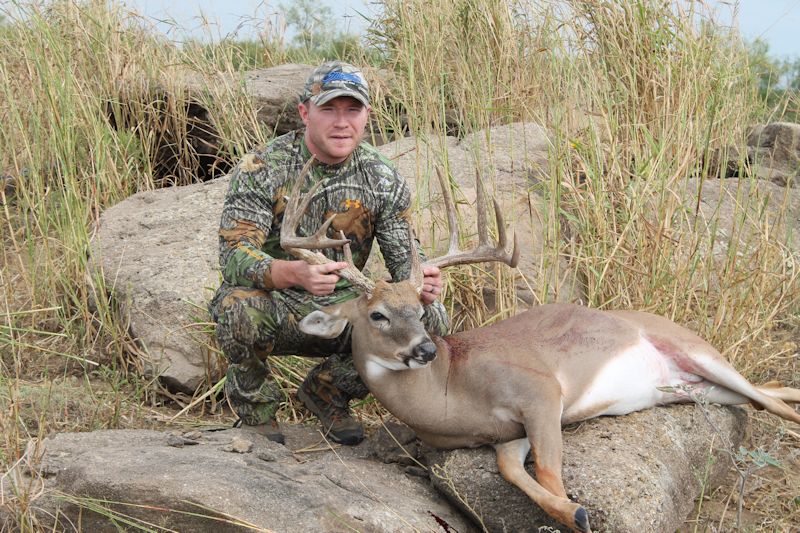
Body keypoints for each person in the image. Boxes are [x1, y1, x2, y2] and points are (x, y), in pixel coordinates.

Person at [208, 61, 449, 445]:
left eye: (352, 110)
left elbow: (406, 260)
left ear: (367, 115)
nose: (342, 123)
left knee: (432, 320)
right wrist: (293, 273)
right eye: (329, 110)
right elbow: (234, 255)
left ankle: (328, 389)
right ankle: (258, 413)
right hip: (278, 304)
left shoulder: (381, 176)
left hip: (349, 311)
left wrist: (423, 285)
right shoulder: (263, 167)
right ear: (305, 112)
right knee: (239, 309)